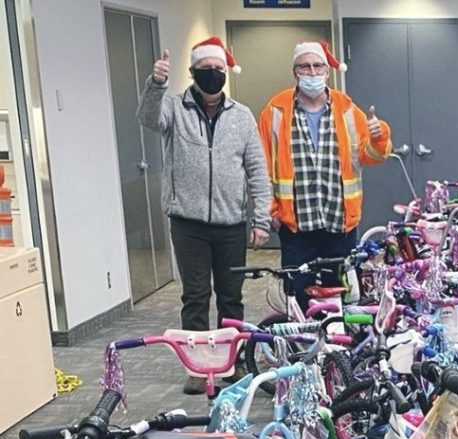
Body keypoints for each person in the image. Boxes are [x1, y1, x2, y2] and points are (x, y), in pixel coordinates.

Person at [138, 37, 271, 394]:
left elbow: (257, 169)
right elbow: (148, 118)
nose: (212, 75)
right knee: (195, 295)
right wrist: (156, 84)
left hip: (230, 223)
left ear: (225, 73)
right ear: (193, 72)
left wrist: (260, 218)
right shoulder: (174, 108)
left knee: (231, 296)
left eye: (218, 70)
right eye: (206, 70)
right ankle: (197, 366)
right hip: (188, 223)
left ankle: (235, 358)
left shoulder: (240, 116)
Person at [258, 40, 392, 310]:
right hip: (296, 226)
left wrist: (380, 137)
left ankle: (338, 349)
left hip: (339, 224)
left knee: (342, 295)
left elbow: (373, 156)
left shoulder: (348, 110)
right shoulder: (275, 111)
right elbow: (261, 165)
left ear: (327, 71)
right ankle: (304, 348)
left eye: (318, 66)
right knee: (299, 294)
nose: (312, 72)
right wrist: (269, 209)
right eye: (304, 67)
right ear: (295, 72)